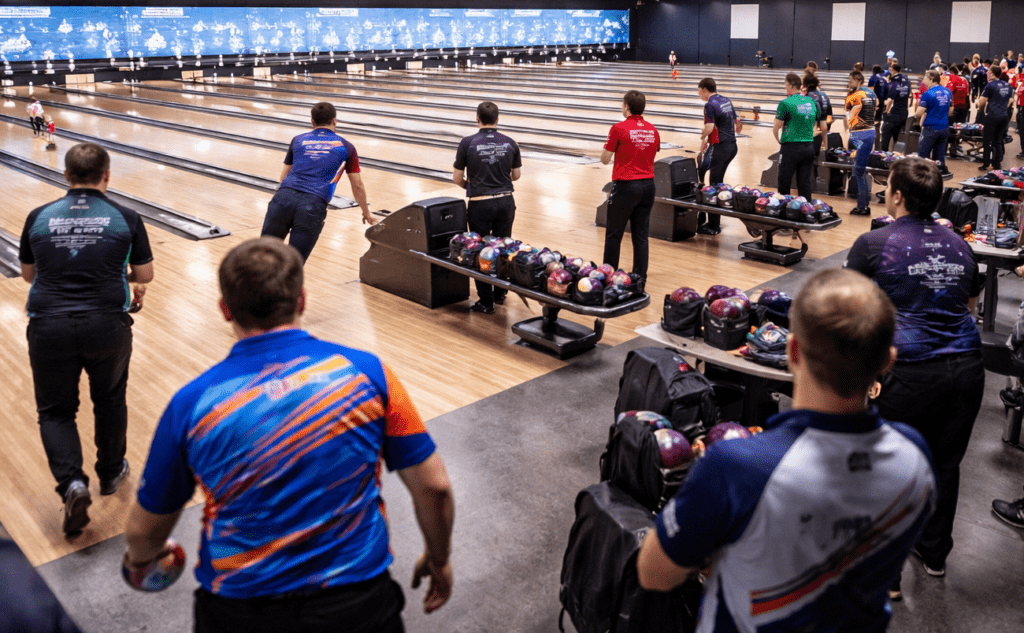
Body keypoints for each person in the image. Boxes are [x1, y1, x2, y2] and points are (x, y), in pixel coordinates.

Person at [123, 238, 455, 633]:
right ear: (302, 300)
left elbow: (145, 532)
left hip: (240, 610)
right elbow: (434, 488)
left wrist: (144, 561)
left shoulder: (192, 405)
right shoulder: (368, 374)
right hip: (358, 603)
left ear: (225, 310)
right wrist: (439, 559)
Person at [635, 267, 936, 630]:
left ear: (792, 350)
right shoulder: (915, 457)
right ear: (887, 361)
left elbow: (655, 574)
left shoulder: (735, 468)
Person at [846, 157, 983, 598]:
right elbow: (970, 309)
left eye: (887, 185)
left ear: (898, 195)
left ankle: (884, 575)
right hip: (966, 369)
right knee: (945, 462)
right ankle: (934, 553)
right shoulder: (961, 246)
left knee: (886, 468)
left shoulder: (873, 243)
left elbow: (854, 314)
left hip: (906, 369)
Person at [18, 143, 154, 536]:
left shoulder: (38, 217)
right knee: (110, 399)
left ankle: (72, 484)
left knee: (56, 411)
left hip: (49, 326)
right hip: (107, 326)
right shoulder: (125, 217)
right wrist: (121, 280)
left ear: (66, 176)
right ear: (106, 176)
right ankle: (110, 473)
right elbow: (143, 275)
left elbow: (30, 275)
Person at [261, 101, 374, 263]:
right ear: (335, 121)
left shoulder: (298, 140)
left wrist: (281, 200)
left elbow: (283, 177)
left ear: (312, 122)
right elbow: (357, 185)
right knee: (294, 266)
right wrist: (366, 212)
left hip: (282, 199)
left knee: (263, 259)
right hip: (312, 205)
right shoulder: (347, 147)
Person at [452, 101, 522, 314]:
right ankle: (501, 293)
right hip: (506, 201)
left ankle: (486, 301)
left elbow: (457, 178)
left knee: (481, 250)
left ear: (477, 119)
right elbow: (516, 176)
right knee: (503, 248)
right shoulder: (510, 142)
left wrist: (472, 187)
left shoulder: (467, 143)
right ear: (498, 119)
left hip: (480, 204)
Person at [600, 90, 660, 278]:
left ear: (626, 106)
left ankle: (608, 279)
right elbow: (652, 151)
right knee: (641, 236)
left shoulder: (618, 128)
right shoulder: (653, 129)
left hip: (626, 187)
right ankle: (639, 280)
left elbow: (605, 159)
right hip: (648, 186)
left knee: (614, 235)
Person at [695, 77, 742, 236]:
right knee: (717, 182)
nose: (699, 95)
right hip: (732, 146)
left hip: (721, 148)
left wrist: (702, 137)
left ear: (704, 90)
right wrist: (707, 142)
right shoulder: (726, 100)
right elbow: (738, 124)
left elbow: (709, 127)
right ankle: (715, 219)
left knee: (713, 185)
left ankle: (713, 226)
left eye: (699, 92)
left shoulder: (709, 104)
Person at [774, 73, 825, 202]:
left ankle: (783, 213)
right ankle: (806, 211)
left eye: (785, 85)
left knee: (783, 183)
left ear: (790, 86)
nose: (785, 88)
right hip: (808, 147)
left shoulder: (785, 103)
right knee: (804, 184)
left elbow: (777, 127)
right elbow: (818, 123)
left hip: (790, 148)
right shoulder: (811, 101)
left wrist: (778, 139)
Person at [844, 70, 878, 215]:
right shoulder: (872, 94)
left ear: (858, 80)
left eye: (851, 81)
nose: (849, 83)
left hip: (860, 134)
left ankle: (863, 206)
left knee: (859, 171)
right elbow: (874, 112)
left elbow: (849, 117)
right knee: (859, 169)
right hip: (870, 133)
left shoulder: (854, 96)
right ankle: (863, 204)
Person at [976, 65, 1013, 171]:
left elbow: (982, 102)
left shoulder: (990, 86)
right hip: (1004, 116)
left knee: (987, 141)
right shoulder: (1007, 85)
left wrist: (980, 107)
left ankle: (986, 164)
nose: (987, 74)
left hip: (992, 116)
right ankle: (997, 164)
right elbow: (1010, 101)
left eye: (988, 72)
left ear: (992, 73)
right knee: (997, 141)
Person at [914, 70, 952, 173]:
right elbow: (950, 111)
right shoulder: (947, 91)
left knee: (923, 156)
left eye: (925, 78)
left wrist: (918, 109)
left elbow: (918, 113)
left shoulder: (927, 94)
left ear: (931, 78)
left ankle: (921, 179)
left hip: (930, 128)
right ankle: (938, 179)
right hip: (944, 127)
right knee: (939, 158)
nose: (923, 81)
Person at [880, 62, 911, 151]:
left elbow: (889, 101)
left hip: (893, 116)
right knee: (898, 142)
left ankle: (883, 159)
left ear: (892, 71)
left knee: (885, 141)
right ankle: (897, 160)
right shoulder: (906, 81)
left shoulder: (893, 83)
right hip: (904, 114)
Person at [803, 73, 833, 158]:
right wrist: (826, 129)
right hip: (823, 127)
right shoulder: (824, 95)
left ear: (805, 85)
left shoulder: (805, 97)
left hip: (812, 129)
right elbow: (829, 114)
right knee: (822, 154)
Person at [946, 65, 971, 157]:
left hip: (954, 107)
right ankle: (956, 145)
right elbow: (968, 93)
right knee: (959, 127)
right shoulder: (965, 80)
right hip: (964, 107)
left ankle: (951, 147)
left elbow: (949, 93)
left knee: (951, 127)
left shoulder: (952, 81)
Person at [868, 65, 888, 148]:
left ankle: (868, 146)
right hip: (882, 103)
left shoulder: (873, 78)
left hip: (874, 104)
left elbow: (870, 91)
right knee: (877, 126)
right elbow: (887, 92)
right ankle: (877, 147)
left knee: (869, 126)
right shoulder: (884, 79)